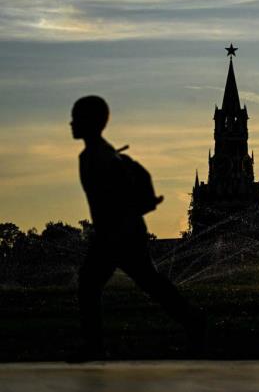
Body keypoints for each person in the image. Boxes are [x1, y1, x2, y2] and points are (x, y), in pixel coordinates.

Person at [69, 95, 203, 362]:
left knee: (95, 285)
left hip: (118, 233)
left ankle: (95, 346)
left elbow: (116, 198)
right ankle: (195, 322)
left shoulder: (101, 157)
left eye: (77, 117)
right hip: (119, 232)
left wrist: (113, 227)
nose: (71, 123)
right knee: (147, 283)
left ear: (91, 122)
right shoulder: (97, 155)